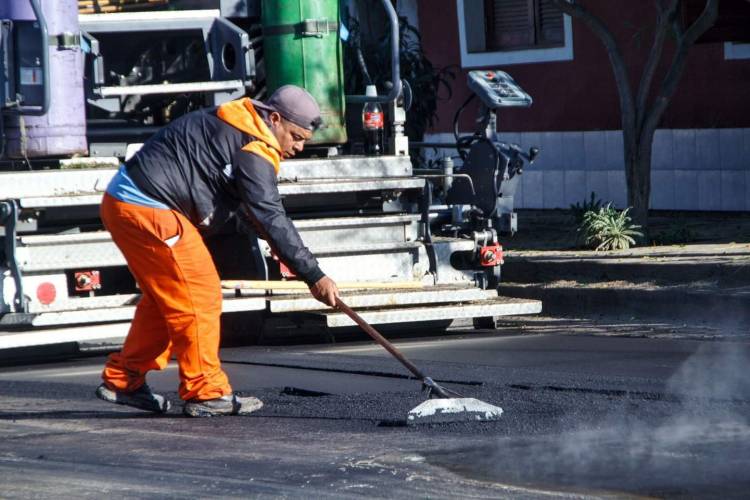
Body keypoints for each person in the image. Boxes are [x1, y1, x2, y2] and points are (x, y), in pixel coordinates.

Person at [94, 85, 340, 417]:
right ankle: (205, 391)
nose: (297, 147)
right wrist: (314, 275)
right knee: (200, 294)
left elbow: (248, 212)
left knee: (166, 299)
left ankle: (124, 380)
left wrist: (292, 260)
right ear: (276, 119)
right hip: (150, 207)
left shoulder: (237, 122)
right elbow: (270, 215)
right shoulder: (255, 145)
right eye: (296, 137)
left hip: (128, 202)